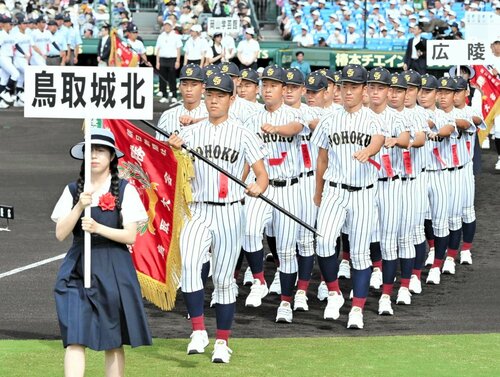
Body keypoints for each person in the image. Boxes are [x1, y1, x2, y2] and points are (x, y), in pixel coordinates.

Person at [167, 72, 268, 363]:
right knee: (189, 268)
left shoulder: (243, 132)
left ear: (231, 99)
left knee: (224, 280)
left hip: (230, 211)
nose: (213, 99)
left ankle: (222, 341)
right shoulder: (189, 134)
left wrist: (256, 188)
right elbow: (172, 169)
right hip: (197, 209)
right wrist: (173, 150)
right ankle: (198, 330)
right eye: (210, 94)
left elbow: (263, 177)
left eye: (220, 95)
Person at [51, 127, 152, 377]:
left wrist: (98, 227)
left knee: (113, 337)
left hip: (113, 266)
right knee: (75, 335)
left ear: (111, 158)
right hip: (77, 265)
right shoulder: (73, 190)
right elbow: (60, 233)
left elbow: (130, 235)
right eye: (90, 151)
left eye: (100, 151)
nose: (94, 156)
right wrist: (78, 208)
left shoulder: (125, 190)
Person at [311, 64, 385, 329]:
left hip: (363, 193)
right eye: (345, 86)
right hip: (334, 190)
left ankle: (357, 309)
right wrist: (318, 192)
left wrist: (369, 151)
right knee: (323, 242)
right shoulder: (329, 119)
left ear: (364, 90)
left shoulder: (373, 117)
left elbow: (377, 140)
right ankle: (334, 292)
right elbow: (321, 159)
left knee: (360, 254)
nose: (349, 91)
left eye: (354, 86)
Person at [242, 65, 306, 324]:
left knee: (287, 250)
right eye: (264, 85)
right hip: (261, 187)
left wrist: (276, 129)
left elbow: (294, 128)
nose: (267, 90)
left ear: (284, 89)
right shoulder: (252, 118)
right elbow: (246, 151)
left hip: (289, 187)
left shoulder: (294, 113)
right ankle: (259, 281)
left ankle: (285, 303)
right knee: (248, 230)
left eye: (273, 85)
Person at [156, 63, 208, 138]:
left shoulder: (212, 114)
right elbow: (160, 147)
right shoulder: (167, 115)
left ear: (203, 88)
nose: (189, 89)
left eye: (194, 85)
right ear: (179, 87)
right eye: (184, 84)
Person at [155, 19, 182, 103]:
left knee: (172, 78)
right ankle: (164, 95)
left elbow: (178, 49)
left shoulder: (176, 36)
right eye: (165, 25)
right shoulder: (161, 36)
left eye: (168, 25)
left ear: (171, 27)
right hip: (162, 59)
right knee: (162, 78)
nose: (166, 27)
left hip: (172, 59)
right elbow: (158, 49)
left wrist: (177, 61)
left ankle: (174, 95)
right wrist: (157, 61)